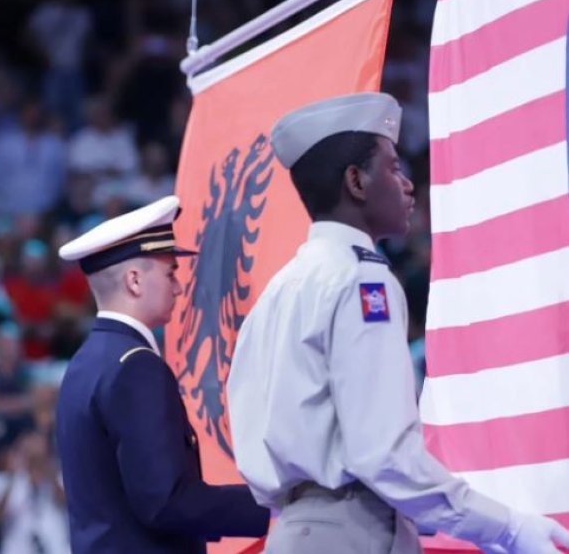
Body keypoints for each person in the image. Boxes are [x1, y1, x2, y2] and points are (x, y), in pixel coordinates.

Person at [226, 92, 569, 554]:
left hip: (293, 531)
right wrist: (505, 526)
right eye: (393, 167)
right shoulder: (361, 280)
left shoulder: (276, 293)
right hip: (351, 532)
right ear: (356, 181)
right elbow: (385, 455)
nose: (408, 185)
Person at [55, 195, 269, 553]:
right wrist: (273, 507)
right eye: (170, 272)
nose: (179, 285)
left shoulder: (86, 361)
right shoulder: (135, 366)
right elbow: (166, 500)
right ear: (134, 281)